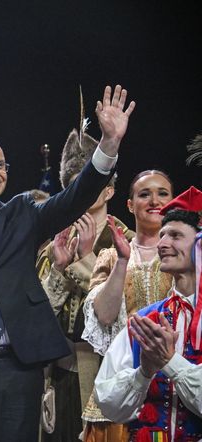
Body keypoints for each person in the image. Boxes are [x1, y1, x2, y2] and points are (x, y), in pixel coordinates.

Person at [0, 85, 136, 441]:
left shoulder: (22, 213)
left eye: (0, 165)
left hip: (19, 367)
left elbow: (75, 196)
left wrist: (109, 145)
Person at [36, 127, 132, 441]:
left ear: (109, 191)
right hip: (58, 373)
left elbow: (126, 309)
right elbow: (38, 314)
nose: (86, 191)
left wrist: (84, 260)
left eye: (94, 183)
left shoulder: (126, 243)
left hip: (108, 372)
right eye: (77, 186)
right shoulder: (52, 245)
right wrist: (61, 268)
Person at [94, 186, 202, 441]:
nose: (163, 244)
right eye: (162, 235)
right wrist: (144, 371)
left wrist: (169, 361)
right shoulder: (147, 320)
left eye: (175, 236)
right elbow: (108, 402)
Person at [80, 170, 174, 440]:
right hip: (121, 385)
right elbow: (105, 317)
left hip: (172, 384)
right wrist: (122, 261)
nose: (154, 200)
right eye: (145, 194)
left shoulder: (187, 255)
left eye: (162, 193)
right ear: (131, 205)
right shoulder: (110, 256)